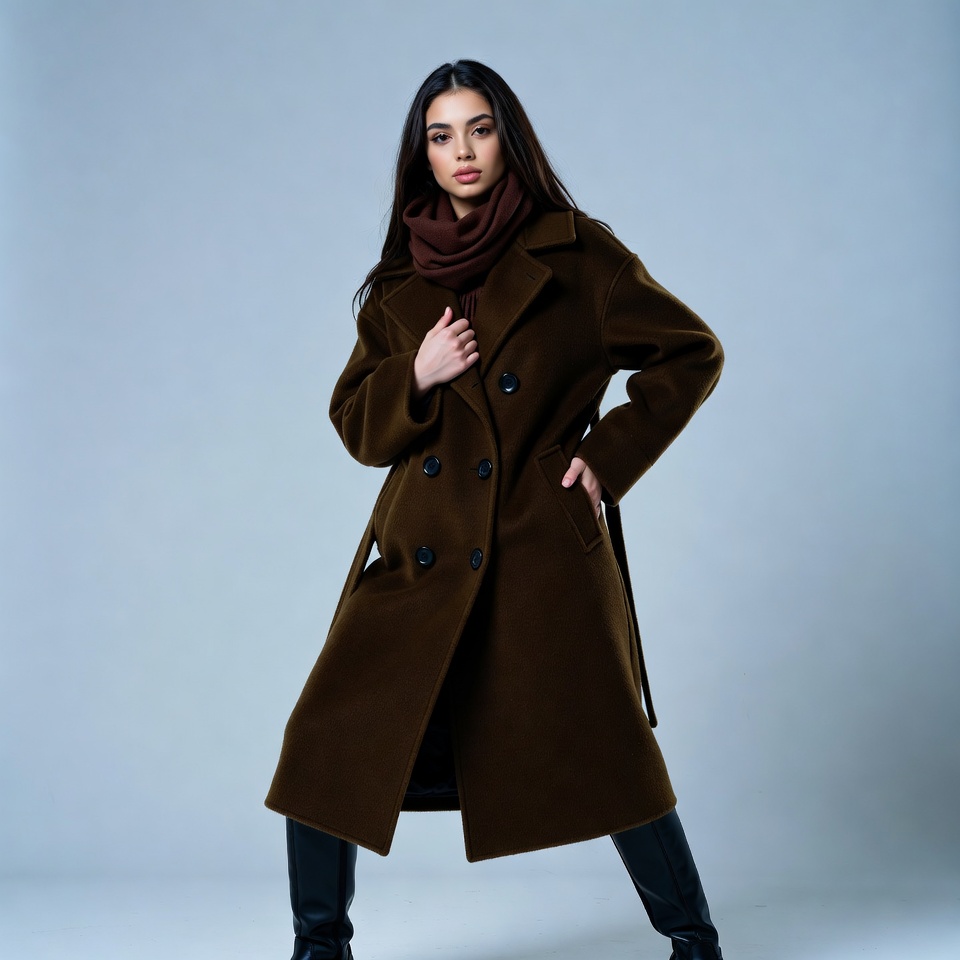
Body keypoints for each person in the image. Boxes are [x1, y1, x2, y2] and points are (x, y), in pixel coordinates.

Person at [266, 60, 725, 960]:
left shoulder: (577, 252)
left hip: (538, 553)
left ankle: (695, 941)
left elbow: (690, 352)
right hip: (420, 553)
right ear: (422, 155)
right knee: (326, 746)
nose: (462, 151)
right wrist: (417, 375)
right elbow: (358, 425)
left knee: (612, 756)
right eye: (441, 135)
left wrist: (606, 456)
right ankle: (319, 950)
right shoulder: (399, 278)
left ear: (506, 138)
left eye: (478, 129)